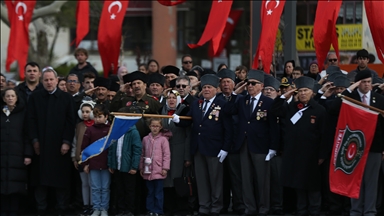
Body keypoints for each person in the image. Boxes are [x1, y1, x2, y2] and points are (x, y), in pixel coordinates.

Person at [172, 74, 233, 216]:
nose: (206, 90)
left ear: (216, 89)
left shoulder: (222, 104)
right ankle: (204, 206)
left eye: (209, 87)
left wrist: (225, 148)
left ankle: (216, 206)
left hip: (215, 148)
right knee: (201, 179)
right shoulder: (196, 103)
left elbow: (228, 129)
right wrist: (177, 120)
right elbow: (189, 122)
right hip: (199, 148)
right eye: (204, 87)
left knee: (215, 180)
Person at [270, 76, 327, 216]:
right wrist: (283, 96)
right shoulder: (291, 108)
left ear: (312, 92)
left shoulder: (319, 110)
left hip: (313, 156)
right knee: (299, 186)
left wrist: (322, 155)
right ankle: (301, 210)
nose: (302, 93)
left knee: (313, 187)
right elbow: (274, 111)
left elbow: (325, 135)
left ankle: (314, 211)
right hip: (295, 155)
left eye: (305, 90)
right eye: (300, 91)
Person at [330, 70, 384, 216]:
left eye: (368, 82)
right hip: (354, 147)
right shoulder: (350, 98)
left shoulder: (379, 99)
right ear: (358, 83)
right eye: (363, 82)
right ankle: (355, 210)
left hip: (374, 147)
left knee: (372, 182)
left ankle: (370, 211)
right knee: (355, 180)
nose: (367, 85)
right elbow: (334, 108)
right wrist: (350, 88)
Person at [226, 70, 279, 215]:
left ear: (261, 85)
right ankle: (250, 207)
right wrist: (235, 94)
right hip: (244, 144)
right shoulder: (242, 100)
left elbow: (273, 127)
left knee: (262, 180)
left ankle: (263, 208)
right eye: (248, 83)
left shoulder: (269, 102)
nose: (250, 86)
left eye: (253, 84)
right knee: (246, 178)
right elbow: (228, 110)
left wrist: (273, 147)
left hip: (261, 145)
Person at [27, 67, 76, 215]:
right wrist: (34, 140)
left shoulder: (66, 98)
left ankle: (61, 208)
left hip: (60, 147)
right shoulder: (35, 97)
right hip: (40, 146)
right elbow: (30, 120)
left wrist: (67, 141)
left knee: (60, 180)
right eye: (46, 80)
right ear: (42, 81)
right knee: (40, 181)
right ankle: (41, 208)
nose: (49, 82)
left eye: (51, 79)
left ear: (57, 80)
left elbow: (70, 122)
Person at [216, 69, 245, 214]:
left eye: (228, 82)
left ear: (234, 84)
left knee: (236, 177)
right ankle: (223, 205)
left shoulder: (241, 99)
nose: (226, 84)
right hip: (219, 144)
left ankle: (239, 205)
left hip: (235, 145)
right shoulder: (217, 99)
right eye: (223, 82)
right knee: (222, 179)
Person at [1, 88, 33, 216]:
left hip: (18, 156)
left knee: (16, 186)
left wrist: (28, 154)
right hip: (2, 156)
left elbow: (27, 135)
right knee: (2, 185)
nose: (10, 98)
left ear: (17, 98)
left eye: (12, 96)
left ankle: (14, 211)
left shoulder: (23, 113)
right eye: (7, 96)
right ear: (3, 99)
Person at [160, 90, 192, 215]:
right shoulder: (161, 110)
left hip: (179, 149)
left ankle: (181, 208)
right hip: (164, 149)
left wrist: (187, 156)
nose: (171, 100)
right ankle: (168, 207)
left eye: (174, 98)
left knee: (178, 178)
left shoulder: (184, 111)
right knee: (166, 179)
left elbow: (188, 135)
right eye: (169, 98)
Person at [110, 71, 162, 138]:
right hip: (129, 138)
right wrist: (120, 92)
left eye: (139, 83)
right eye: (134, 84)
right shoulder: (126, 100)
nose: (136, 86)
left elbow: (161, 119)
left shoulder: (152, 101)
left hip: (147, 139)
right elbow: (112, 109)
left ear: (145, 85)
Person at [81, 104, 112, 216]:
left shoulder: (110, 130)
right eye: (96, 116)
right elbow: (84, 148)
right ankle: (96, 208)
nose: (97, 119)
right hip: (93, 164)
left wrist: (112, 164)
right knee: (95, 187)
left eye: (100, 116)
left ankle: (104, 208)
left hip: (106, 164)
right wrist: (85, 164)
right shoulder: (90, 130)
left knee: (105, 188)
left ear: (106, 116)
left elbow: (112, 148)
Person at [108, 124, 141, 216]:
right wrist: (111, 164)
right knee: (119, 189)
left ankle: (129, 210)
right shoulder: (115, 132)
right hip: (117, 166)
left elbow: (137, 150)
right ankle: (121, 210)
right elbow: (111, 149)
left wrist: (134, 166)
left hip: (128, 167)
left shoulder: (133, 132)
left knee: (129, 190)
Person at [140, 118, 171, 216]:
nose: (155, 128)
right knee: (150, 192)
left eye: (157, 126)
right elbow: (142, 154)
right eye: (153, 126)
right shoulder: (145, 139)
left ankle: (158, 210)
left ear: (160, 127)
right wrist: (141, 167)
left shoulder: (163, 140)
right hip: (147, 170)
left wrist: (165, 168)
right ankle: (150, 210)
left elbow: (167, 155)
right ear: (149, 126)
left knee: (158, 193)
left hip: (159, 170)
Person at [71, 98, 96, 215]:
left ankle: (93, 205)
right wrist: (74, 157)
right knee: (84, 184)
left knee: (92, 184)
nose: (85, 114)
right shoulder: (79, 126)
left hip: (93, 160)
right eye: (83, 112)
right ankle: (86, 205)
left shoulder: (96, 125)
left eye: (87, 111)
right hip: (81, 159)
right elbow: (75, 143)